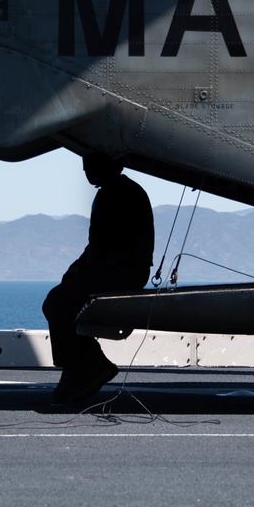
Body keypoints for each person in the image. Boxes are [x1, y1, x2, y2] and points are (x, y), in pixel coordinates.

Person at [42, 153, 154, 404]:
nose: (86, 172)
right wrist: (78, 270)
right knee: (61, 301)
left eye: (90, 165)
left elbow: (112, 248)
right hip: (118, 270)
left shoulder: (119, 194)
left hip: (121, 273)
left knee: (58, 303)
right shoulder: (118, 191)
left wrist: (81, 273)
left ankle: (83, 368)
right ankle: (85, 365)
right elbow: (98, 247)